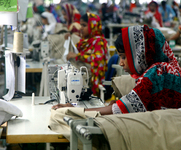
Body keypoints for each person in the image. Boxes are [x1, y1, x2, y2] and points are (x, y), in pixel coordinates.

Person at [53, 25, 181, 115]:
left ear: (141, 54)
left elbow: (120, 109)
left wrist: (75, 111)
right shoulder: (168, 69)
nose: (120, 62)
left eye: (124, 57)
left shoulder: (157, 73)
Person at [66, 13, 108, 97]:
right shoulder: (86, 41)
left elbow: (96, 58)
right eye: (80, 25)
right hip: (86, 74)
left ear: (93, 26)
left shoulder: (99, 41)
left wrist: (76, 56)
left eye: (84, 25)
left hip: (92, 78)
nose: (81, 27)